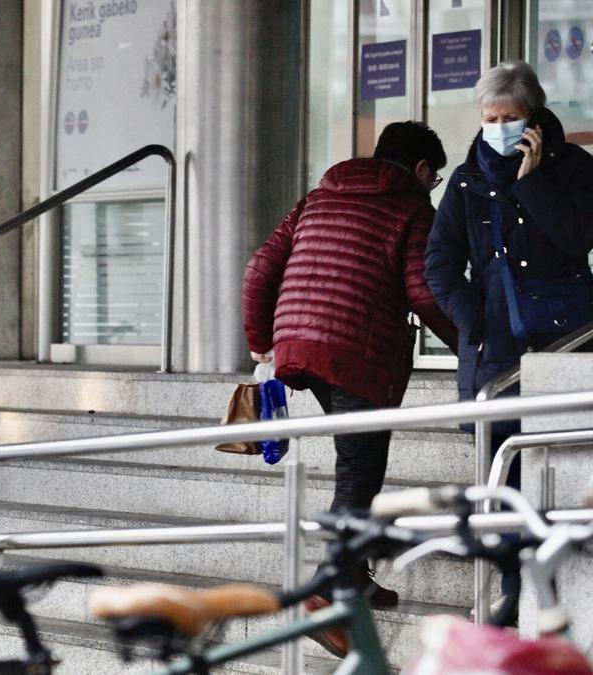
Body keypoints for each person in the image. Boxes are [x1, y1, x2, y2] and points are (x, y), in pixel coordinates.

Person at [242, 121, 459, 653]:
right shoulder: (412, 206)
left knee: (357, 456)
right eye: (434, 178)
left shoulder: (317, 198)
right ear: (423, 170)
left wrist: (260, 340)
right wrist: (467, 343)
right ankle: (328, 595)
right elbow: (423, 291)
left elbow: (259, 268)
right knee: (359, 471)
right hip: (356, 349)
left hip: (298, 343)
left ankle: (355, 575)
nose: (432, 186)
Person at [425, 61, 593, 617]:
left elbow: (577, 239)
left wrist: (532, 182)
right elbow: (439, 262)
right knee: (503, 471)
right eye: (490, 117)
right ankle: (513, 590)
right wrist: (474, 319)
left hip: (566, 344)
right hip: (494, 352)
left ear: (535, 119)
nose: (498, 127)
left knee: (564, 466)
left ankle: (558, 590)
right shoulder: (466, 180)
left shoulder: (574, 168)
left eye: (510, 117)